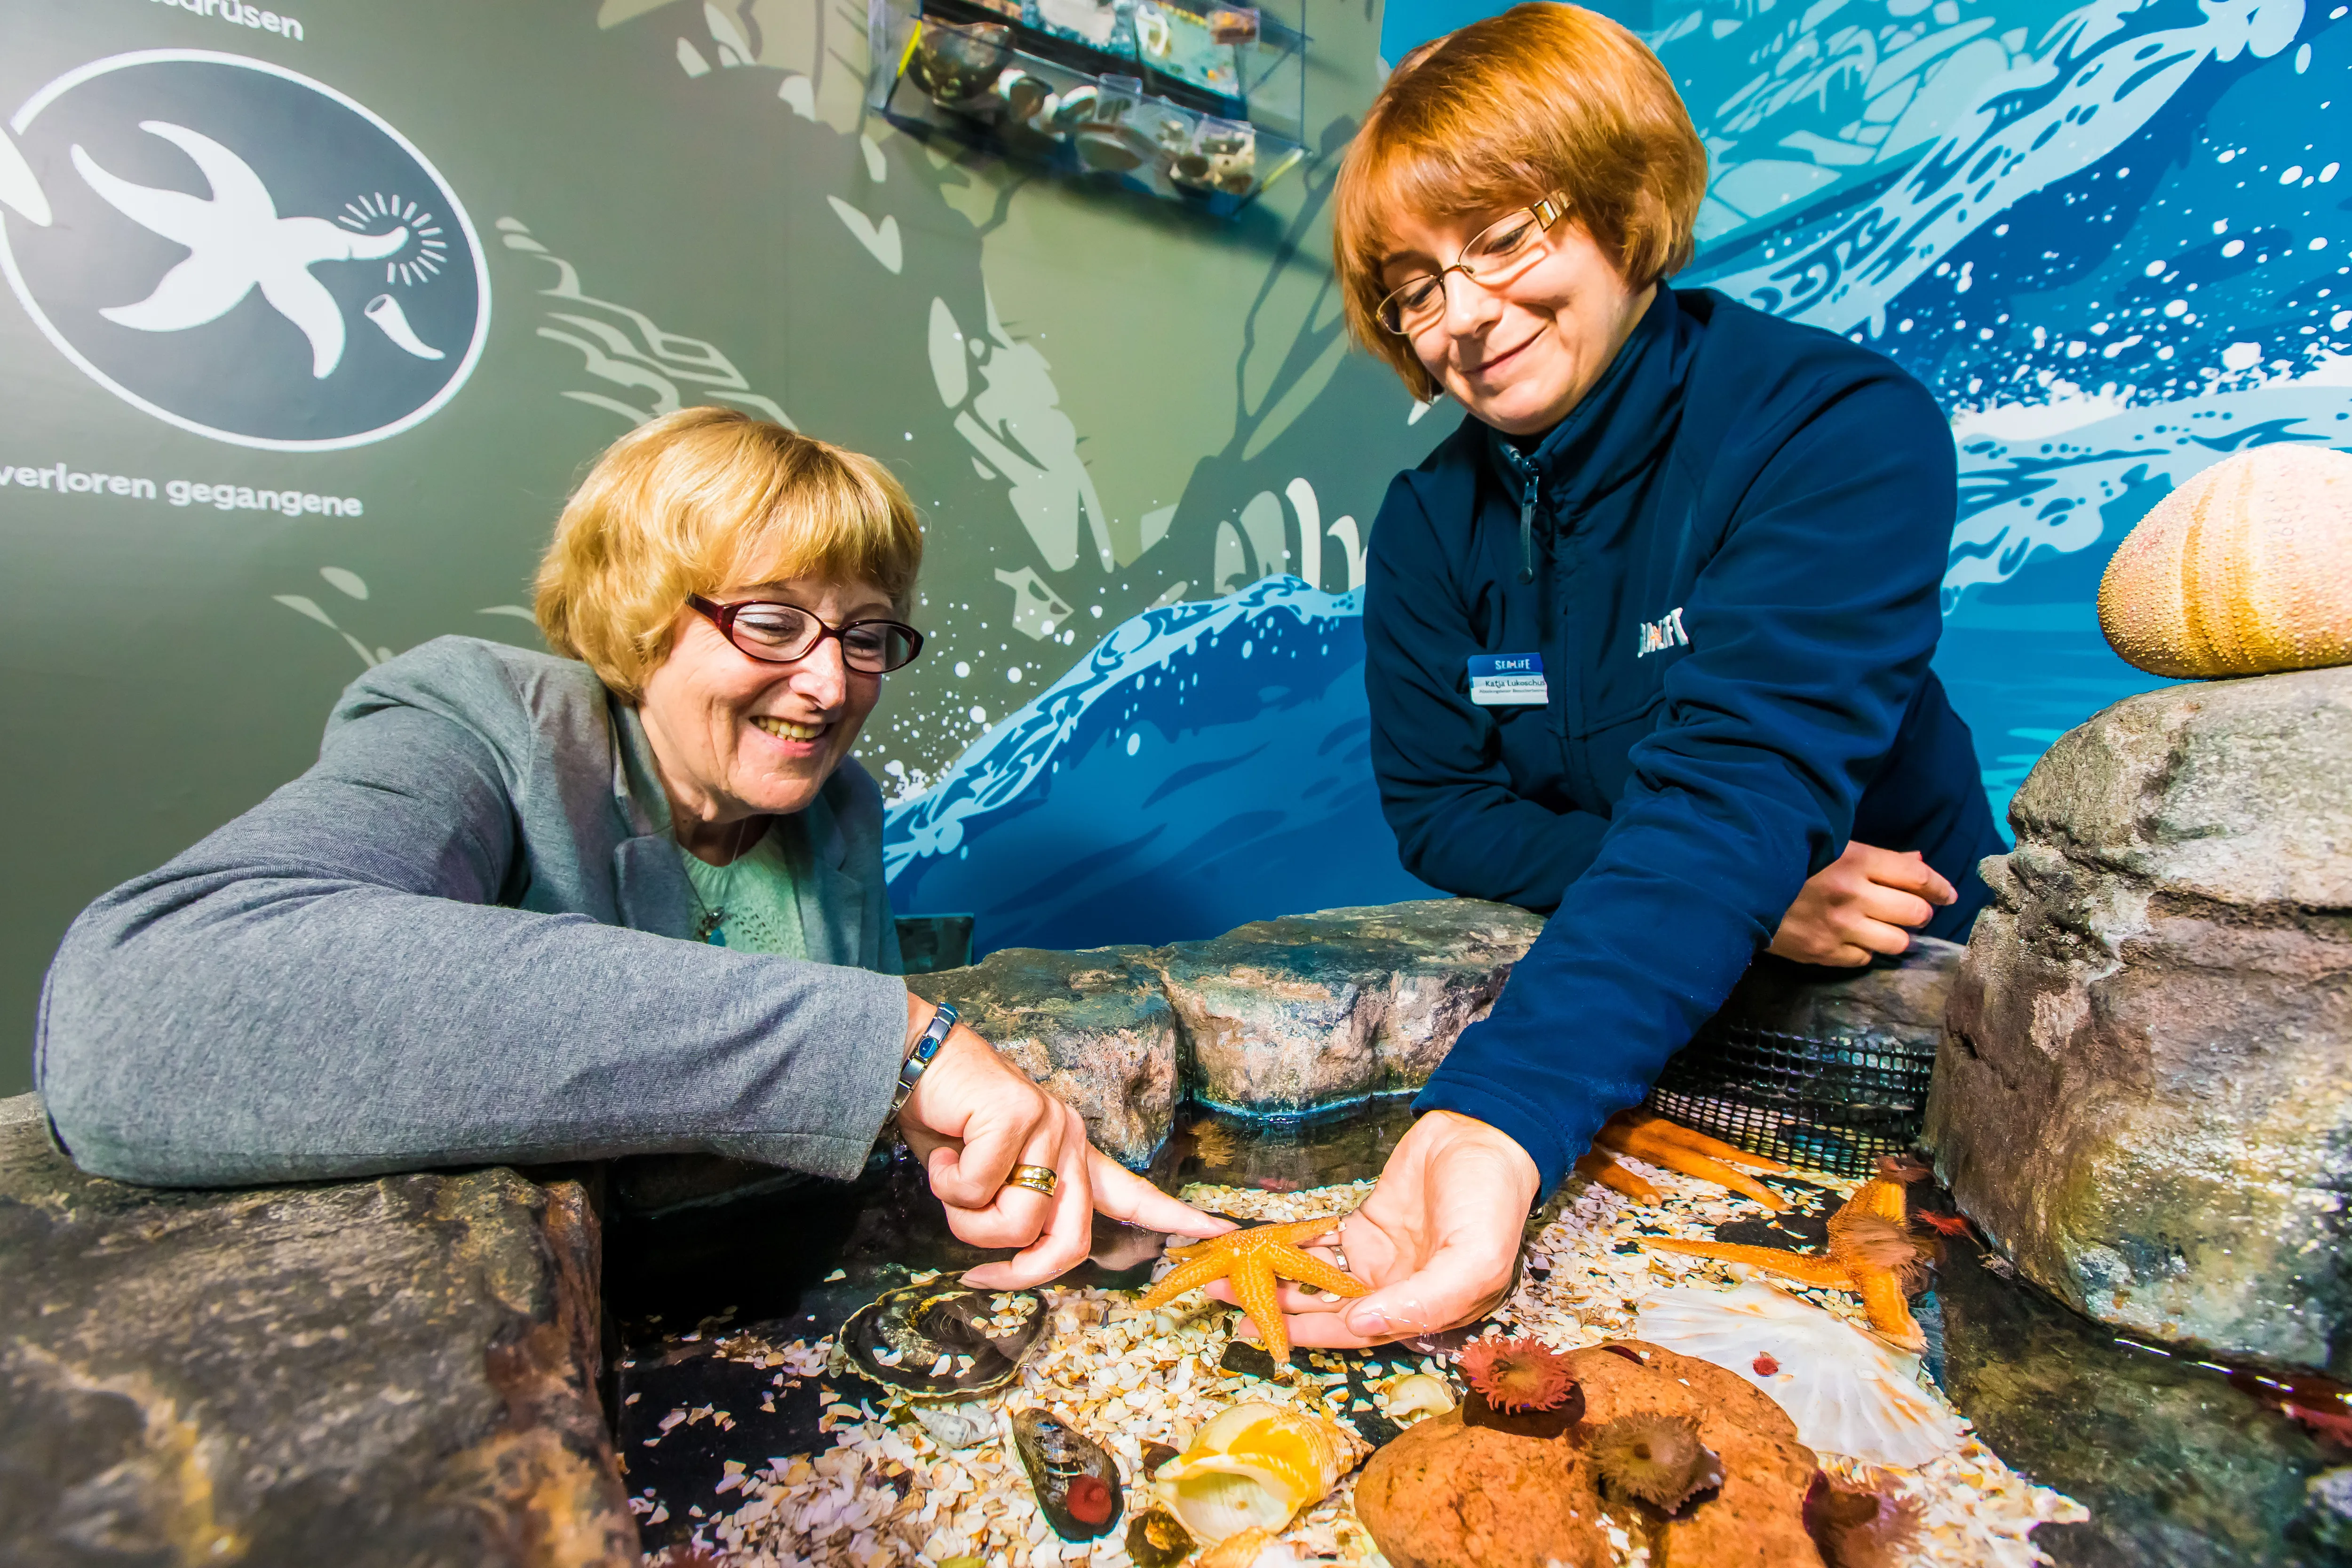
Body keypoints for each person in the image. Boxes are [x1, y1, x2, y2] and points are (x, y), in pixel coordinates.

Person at [35, 407, 1224, 1287]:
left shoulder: (838, 809)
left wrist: (1030, 1171)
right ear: (642, 609)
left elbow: (840, 1131)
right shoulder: (479, 721)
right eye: (772, 619)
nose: (830, 682)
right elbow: (135, 1012)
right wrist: (890, 1042)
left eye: (868, 634)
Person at [1231, 3, 2005, 1349]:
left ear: (1621, 203)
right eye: (1415, 286)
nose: (1463, 315)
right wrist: (1756, 891)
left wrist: (1499, 1107)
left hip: (1907, 966)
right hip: (1683, 959)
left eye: (1503, 238)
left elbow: (1737, 785)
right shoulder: (1428, 523)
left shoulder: (1835, 427)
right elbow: (1438, 809)